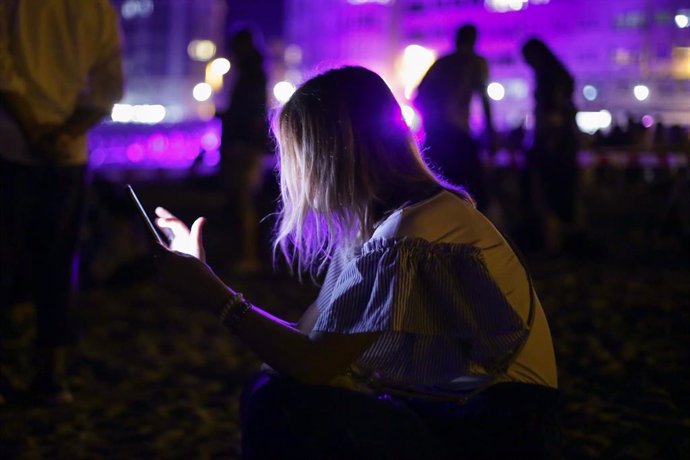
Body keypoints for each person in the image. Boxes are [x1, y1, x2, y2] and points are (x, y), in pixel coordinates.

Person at [153, 66, 561, 459]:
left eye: (296, 155)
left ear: (331, 154)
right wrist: (205, 276)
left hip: (498, 426)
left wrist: (214, 296)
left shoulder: (413, 231)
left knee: (279, 402)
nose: (290, 174)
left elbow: (311, 363)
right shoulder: (385, 228)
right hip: (448, 409)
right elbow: (304, 346)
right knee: (272, 388)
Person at [0, 0, 124, 404]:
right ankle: (51, 376)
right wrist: (67, 132)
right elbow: (108, 83)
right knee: (59, 264)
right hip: (69, 154)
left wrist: (34, 130)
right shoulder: (97, 8)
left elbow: (4, 71)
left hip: (11, 146)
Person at [415, 24, 495, 211]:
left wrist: (428, 124)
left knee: (438, 183)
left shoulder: (443, 63)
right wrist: (491, 133)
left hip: (437, 132)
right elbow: (484, 99)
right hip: (457, 129)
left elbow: (419, 94)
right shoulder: (475, 62)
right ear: (473, 41)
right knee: (472, 186)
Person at [217, 27, 270, 274]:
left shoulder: (251, 76)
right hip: (248, 145)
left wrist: (239, 136)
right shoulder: (255, 73)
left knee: (244, 199)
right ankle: (247, 254)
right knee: (244, 198)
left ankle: (248, 256)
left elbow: (249, 114)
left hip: (244, 146)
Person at [521, 37, 579, 254]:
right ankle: (563, 239)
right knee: (562, 190)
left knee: (547, 189)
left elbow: (552, 113)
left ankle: (552, 240)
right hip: (562, 142)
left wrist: (545, 141)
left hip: (552, 143)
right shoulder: (559, 76)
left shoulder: (548, 78)